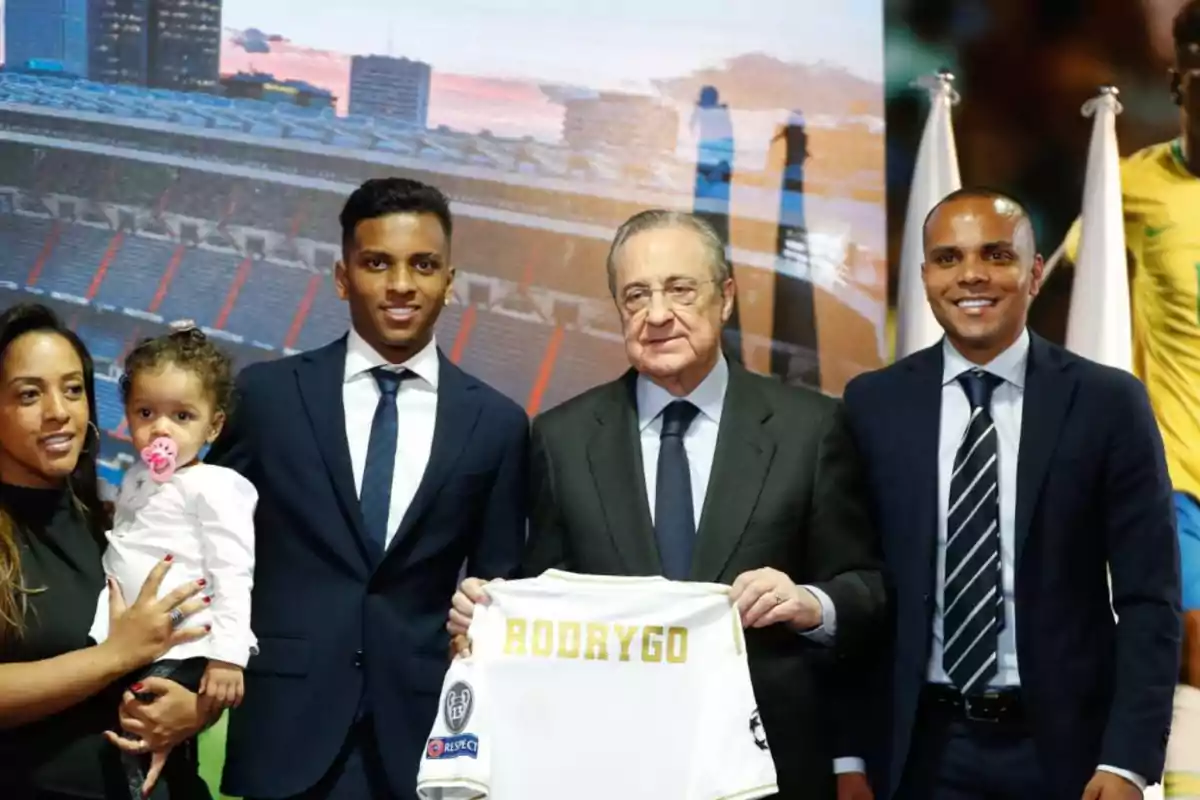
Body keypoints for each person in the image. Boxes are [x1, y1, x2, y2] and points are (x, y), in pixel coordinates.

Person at [449, 209, 886, 799]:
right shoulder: (561, 439)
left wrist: (811, 602)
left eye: (681, 289)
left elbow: (868, 587)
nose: (657, 315)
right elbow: (543, 600)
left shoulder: (812, 428)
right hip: (607, 767)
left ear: (726, 296)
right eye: (636, 296)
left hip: (767, 770)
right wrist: (489, 618)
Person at [836, 189, 1180, 800]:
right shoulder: (871, 404)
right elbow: (854, 590)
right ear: (924, 277)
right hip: (914, 754)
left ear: (1035, 272)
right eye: (948, 258)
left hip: (1066, 757)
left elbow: (1149, 599)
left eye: (996, 254)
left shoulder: (1109, 404)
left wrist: (1127, 761)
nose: (971, 274)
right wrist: (846, 755)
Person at [207, 177, 529, 800]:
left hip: (423, 738)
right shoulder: (267, 397)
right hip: (284, 732)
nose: (402, 284)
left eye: (424, 265)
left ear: (449, 280)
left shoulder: (496, 424)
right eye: (377, 263)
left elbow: (499, 585)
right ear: (341, 275)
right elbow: (209, 545)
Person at [1055, 5, 1200, 793]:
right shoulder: (1133, 191)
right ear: (1177, 77)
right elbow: (1065, 309)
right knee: (1187, 670)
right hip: (1179, 485)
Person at [0, 302, 213, 799]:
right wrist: (117, 655)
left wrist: (198, 709)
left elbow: (186, 641)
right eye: (29, 394)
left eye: (73, 389)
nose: (59, 411)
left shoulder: (113, 521)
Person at [88, 324, 258, 799]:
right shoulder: (138, 477)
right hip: (134, 642)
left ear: (214, 426)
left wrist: (227, 656)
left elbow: (232, 569)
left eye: (182, 416)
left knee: (142, 727)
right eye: (147, 413)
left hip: (183, 646)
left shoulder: (217, 486)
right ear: (127, 415)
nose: (161, 429)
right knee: (141, 739)